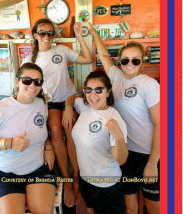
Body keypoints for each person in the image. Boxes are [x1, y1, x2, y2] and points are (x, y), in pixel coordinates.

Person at [89, 24, 160, 214]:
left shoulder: (149, 84)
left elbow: (162, 125)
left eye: (135, 60)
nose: (130, 63)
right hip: (126, 153)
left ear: (142, 62)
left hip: (148, 155)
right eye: (125, 59)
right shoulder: (117, 77)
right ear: (119, 60)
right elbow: (104, 56)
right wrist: (94, 32)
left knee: (152, 206)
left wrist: (152, 164)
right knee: (130, 207)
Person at [22, 18, 92, 207]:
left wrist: (79, 36)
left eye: (50, 33)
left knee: (70, 130)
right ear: (35, 35)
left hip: (68, 99)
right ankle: (68, 181)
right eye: (42, 33)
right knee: (55, 130)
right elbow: (25, 87)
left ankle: (77, 178)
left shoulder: (61, 50)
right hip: (49, 103)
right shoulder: (30, 60)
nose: (47, 37)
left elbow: (87, 58)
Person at [62, 70, 128, 214]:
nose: (93, 95)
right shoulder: (86, 108)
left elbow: (121, 159)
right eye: (88, 90)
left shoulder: (113, 118)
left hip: (106, 185)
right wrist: (68, 108)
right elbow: (71, 97)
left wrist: (119, 137)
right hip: (86, 180)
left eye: (99, 90)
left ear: (108, 92)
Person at [0, 63, 56, 214]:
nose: (32, 85)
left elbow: (41, 130)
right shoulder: (3, 108)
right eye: (27, 80)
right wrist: (9, 143)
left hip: (38, 170)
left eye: (37, 81)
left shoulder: (42, 104)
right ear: (17, 82)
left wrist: (48, 146)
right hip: (7, 173)